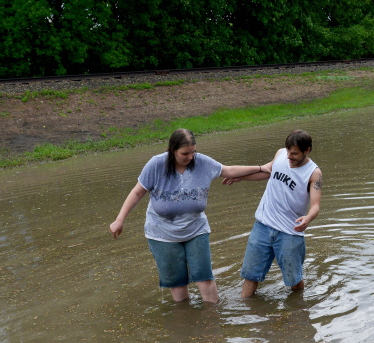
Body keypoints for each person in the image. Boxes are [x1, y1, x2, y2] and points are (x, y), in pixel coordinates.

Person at [109, 128, 268, 303]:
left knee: (205, 278)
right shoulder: (156, 165)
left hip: (195, 229)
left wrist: (263, 168)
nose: (190, 157)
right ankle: (184, 319)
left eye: (193, 152)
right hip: (162, 233)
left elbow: (229, 170)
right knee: (177, 284)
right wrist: (119, 219)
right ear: (172, 150)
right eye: (185, 153)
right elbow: (137, 193)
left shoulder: (202, 163)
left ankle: (211, 320)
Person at [223, 129, 322, 298]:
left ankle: (298, 311)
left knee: (294, 281)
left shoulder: (314, 173)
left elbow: (315, 205)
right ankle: (246, 311)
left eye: (295, 154)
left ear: (307, 150)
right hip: (262, 225)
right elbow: (268, 171)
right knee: (250, 274)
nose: (290, 157)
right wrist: (242, 177)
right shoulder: (281, 154)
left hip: (290, 232)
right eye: (289, 152)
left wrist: (308, 218)